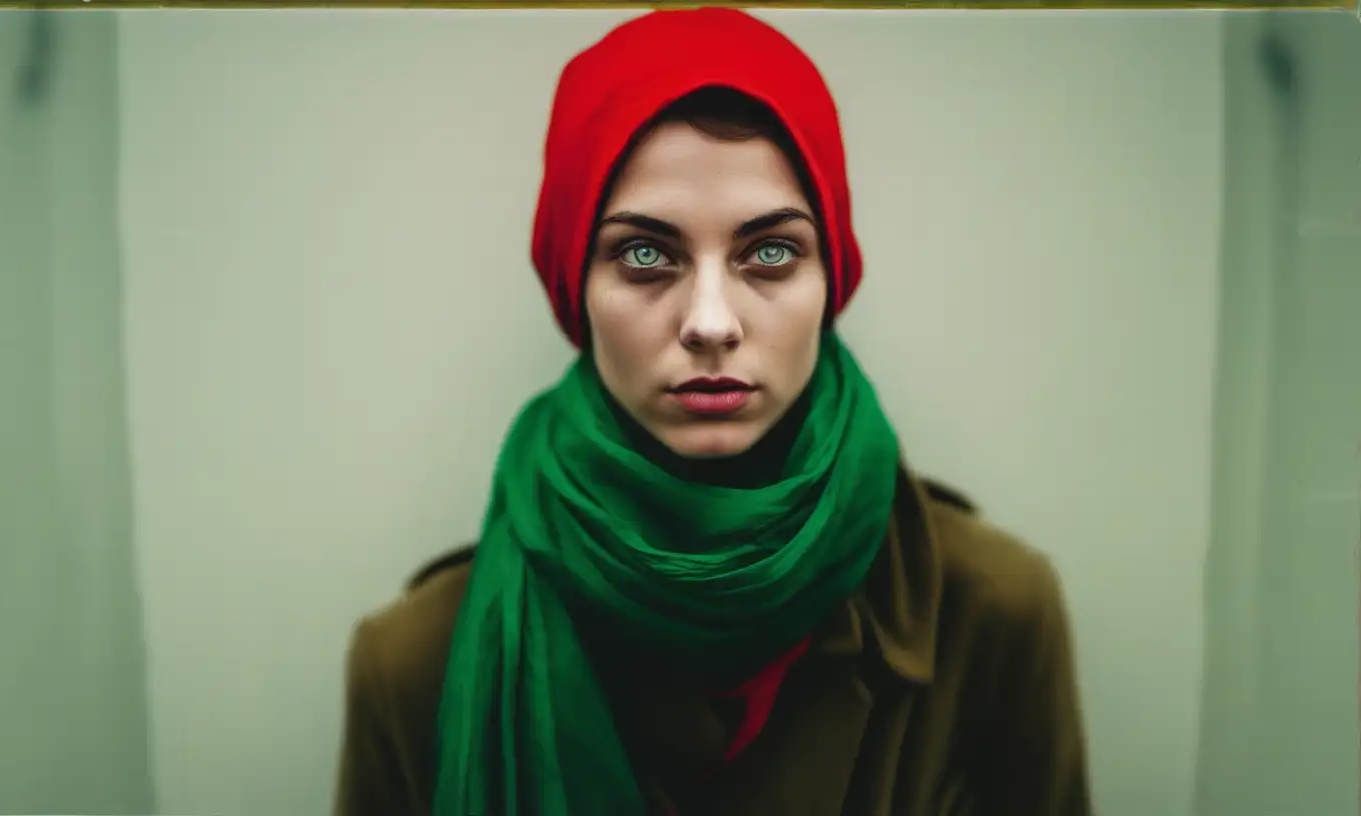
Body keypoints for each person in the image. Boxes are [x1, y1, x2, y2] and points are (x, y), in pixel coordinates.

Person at [334, 8, 1092, 816]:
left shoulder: (993, 616)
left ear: (830, 276)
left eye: (769, 252)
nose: (710, 322)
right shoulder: (414, 662)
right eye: (644, 254)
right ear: (573, 285)